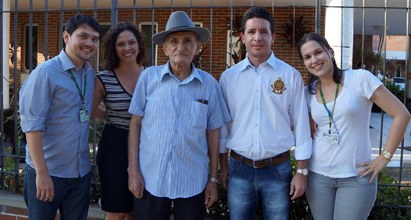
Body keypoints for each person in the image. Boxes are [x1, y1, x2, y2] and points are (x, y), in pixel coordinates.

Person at [127, 11, 230, 219]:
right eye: (173, 41)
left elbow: (213, 132)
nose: (180, 47)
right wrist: (133, 170)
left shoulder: (209, 84)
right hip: (151, 177)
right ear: (164, 48)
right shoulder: (148, 78)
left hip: (193, 179)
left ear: (197, 47)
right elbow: (135, 124)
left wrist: (212, 178)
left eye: (187, 41)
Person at [297, 33, 410, 220]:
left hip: (356, 177)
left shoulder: (359, 79)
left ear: (330, 52)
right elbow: (309, 133)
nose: (314, 60)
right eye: (307, 57)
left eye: (318, 52)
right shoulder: (307, 92)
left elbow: (401, 114)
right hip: (318, 177)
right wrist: (301, 170)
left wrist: (385, 157)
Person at [219, 7, 312, 220]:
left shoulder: (290, 76)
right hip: (238, 169)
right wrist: (223, 168)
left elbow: (302, 126)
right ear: (242, 37)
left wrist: (301, 171)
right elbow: (223, 128)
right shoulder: (228, 78)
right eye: (251, 32)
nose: (257, 37)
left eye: (264, 31)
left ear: (273, 37)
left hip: (277, 170)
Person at [19, 14, 100, 220]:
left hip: (80, 174)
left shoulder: (88, 73)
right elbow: (32, 126)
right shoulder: (45, 73)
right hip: (49, 173)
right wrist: (42, 173)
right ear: (66, 37)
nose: (89, 43)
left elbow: (83, 109)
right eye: (83, 36)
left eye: (94, 39)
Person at [91, 22, 145, 220]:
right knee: (117, 208)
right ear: (113, 48)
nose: (127, 48)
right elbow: (89, 110)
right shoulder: (104, 78)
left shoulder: (150, 75)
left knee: (134, 207)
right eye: (121, 44)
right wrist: (111, 115)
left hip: (145, 145)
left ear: (139, 45)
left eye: (131, 42)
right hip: (115, 146)